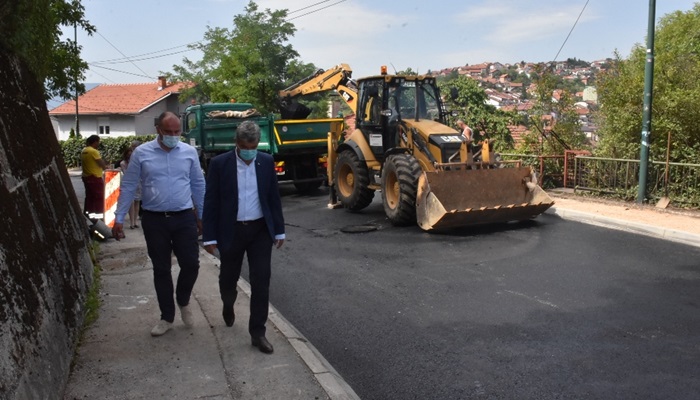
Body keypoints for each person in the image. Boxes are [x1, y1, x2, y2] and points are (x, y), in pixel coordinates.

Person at [111, 112, 206, 337]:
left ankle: (183, 300)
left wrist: (202, 216)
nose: (174, 136)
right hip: (154, 219)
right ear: (158, 131)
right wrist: (119, 218)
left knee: (191, 264)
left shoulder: (189, 152)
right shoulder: (142, 154)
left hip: (184, 217)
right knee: (161, 269)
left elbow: (198, 185)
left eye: (177, 132)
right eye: (169, 132)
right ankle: (167, 316)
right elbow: (129, 185)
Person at [202, 120, 285, 354]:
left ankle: (258, 333)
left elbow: (272, 198)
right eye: (245, 146)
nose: (250, 150)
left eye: (254, 145)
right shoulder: (220, 164)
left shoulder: (266, 161)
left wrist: (279, 230)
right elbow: (211, 202)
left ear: (258, 143)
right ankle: (228, 304)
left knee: (262, 280)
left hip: (260, 230)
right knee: (228, 279)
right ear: (236, 143)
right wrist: (209, 237)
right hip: (232, 230)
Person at [81, 135, 108, 215]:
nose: (98, 144)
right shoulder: (93, 151)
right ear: (95, 141)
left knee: (89, 197)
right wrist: (105, 166)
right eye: (98, 142)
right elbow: (101, 163)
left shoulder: (84, 151)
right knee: (99, 197)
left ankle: (88, 214)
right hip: (95, 177)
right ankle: (98, 215)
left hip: (86, 177)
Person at [118, 146, 141, 229]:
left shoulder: (137, 162)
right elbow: (127, 173)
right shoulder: (123, 163)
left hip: (138, 183)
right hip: (129, 184)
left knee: (137, 202)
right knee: (131, 203)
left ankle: (135, 221)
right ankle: (131, 222)